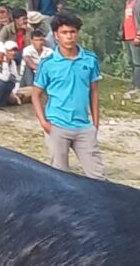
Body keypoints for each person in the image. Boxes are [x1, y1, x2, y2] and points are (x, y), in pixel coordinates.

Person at [31, 13, 104, 177]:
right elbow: (36, 94)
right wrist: (44, 122)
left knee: (98, 176)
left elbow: (94, 92)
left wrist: (95, 124)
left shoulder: (90, 60)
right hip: (57, 124)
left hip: (83, 126)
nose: (69, 36)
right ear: (56, 35)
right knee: (59, 176)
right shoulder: (48, 64)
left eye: (72, 32)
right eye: (64, 33)